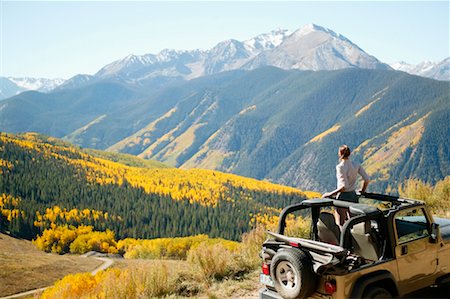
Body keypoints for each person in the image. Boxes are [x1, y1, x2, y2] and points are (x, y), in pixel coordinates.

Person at [322, 145, 370, 225]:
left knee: (340, 224)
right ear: (349, 154)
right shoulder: (356, 165)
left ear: (340, 153)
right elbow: (367, 179)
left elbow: (343, 187)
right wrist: (363, 190)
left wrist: (329, 194)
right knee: (354, 224)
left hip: (343, 197)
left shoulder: (340, 167)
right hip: (353, 196)